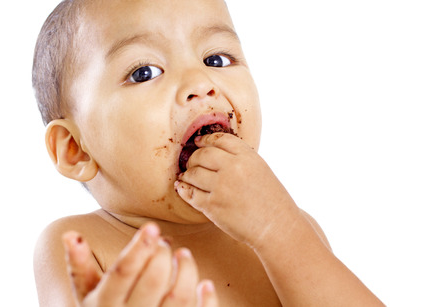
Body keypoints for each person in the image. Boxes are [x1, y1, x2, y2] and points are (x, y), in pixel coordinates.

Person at [32, 0, 385, 306]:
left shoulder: (294, 231)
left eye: (216, 59)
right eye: (144, 72)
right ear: (75, 149)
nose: (201, 84)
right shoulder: (79, 246)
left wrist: (278, 229)